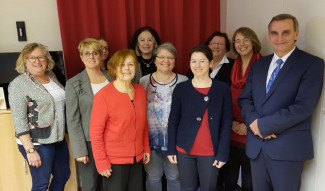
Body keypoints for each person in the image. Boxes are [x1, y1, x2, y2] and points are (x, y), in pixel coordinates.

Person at [238, 14, 324, 191]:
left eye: (285, 32)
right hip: (257, 148)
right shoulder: (258, 65)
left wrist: (264, 126)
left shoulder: (312, 64)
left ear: (296, 34)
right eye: (274, 33)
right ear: (269, 36)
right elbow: (245, 99)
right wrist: (255, 123)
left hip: (287, 149)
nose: (279, 38)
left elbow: (303, 107)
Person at [167, 44, 233, 191]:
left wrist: (222, 153)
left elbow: (226, 124)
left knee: (209, 188)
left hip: (210, 152)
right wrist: (171, 149)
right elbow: (173, 121)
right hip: (185, 150)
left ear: (210, 63)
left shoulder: (222, 89)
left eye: (202, 61)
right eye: (193, 61)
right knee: (187, 187)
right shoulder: (181, 89)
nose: (197, 65)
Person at [8, 43, 70, 191]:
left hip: (58, 138)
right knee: (41, 184)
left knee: (63, 175)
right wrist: (30, 150)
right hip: (37, 143)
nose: (37, 61)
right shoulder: (18, 84)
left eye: (41, 57)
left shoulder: (52, 76)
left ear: (47, 59)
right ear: (24, 61)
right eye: (32, 58)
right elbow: (19, 120)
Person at [89, 49, 151, 191]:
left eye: (130, 64)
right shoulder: (103, 96)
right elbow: (95, 132)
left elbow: (143, 123)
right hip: (114, 162)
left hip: (137, 159)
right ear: (114, 67)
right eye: (122, 64)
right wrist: (101, 162)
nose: (126, 69)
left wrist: (146, 147)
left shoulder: (140, 91)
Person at [65, 38, 114, 191]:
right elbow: (72, 120)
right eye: (87, 53)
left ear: (101, 55)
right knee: (91, 185)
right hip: (88, 142)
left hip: (113, 141)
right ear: (81, 57)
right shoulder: (73, 84)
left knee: (111, 184)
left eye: (95, 53)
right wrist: (80, 150)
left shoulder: (112, 78)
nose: (91, 57)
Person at [139, 42, 188, 191]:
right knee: (153, 177)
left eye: (170, 57)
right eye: (162, 57)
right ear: (155, 60)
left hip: (175, 140)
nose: (166, 61)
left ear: (175, 61)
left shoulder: (184, 81)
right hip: (151, 140)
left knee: (174, 177)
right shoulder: (143, 81)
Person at [221, 27, 262, 191]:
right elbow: (224, 97)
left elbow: (266, 100)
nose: (241, 44)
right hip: (231, 128)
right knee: (229, 178)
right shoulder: (231, 65)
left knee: (250, 181)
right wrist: (230, 122)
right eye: (237, 40)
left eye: (245, 39)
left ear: (254, 42)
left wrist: (248, 124)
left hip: (252, 129)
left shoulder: (263, 64)